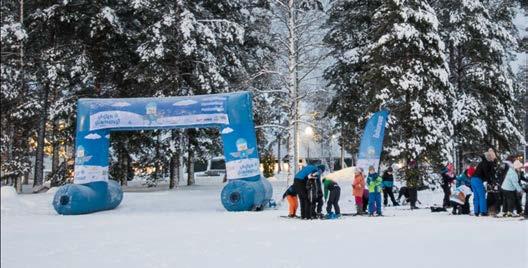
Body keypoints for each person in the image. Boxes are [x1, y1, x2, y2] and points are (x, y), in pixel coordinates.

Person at [471, 148, 497, 216]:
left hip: (473, 179)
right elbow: (486, 173)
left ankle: (476, 211)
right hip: (478, 180)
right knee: (482, 195)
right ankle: (483, 211)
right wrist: (490, 181)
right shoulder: (485, 163)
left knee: (476, 196)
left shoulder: (481, 163)